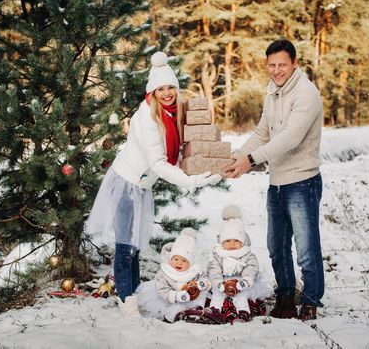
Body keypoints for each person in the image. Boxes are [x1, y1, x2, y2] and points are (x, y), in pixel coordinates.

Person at [87, 52, 222, 316]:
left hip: (142, 185)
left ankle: (134, 292)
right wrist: (190, 181)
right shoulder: (146, 118)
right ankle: (126, 300)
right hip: (126, 183)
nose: (167, 93)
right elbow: (159, 163)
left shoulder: (172, 114)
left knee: (136, 246)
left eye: (171, 87)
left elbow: (178, 150)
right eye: (161, 88)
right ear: (153, 91)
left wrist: (204, 164)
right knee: (125, 245)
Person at [224, 38, 324, 321]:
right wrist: (238, 156)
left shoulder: (306, 93)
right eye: (272, 65)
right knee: (276, 245)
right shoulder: (272, 92)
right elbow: (262, 132)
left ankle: (310, 302)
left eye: (282, 64)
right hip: (277, 182)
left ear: (295, 63)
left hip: (303, 182)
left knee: (306, 248)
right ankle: (285, 297)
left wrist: (252, 161)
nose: (277, 70)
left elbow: (291, 138)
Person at [207, 205, 268, 323]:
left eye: (236, 241)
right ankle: (215, 311)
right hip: (223, 283)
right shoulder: (218, 254)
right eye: (228, 241)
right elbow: (214, 270)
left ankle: (243, 313)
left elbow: (251, 269)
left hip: (241, 283)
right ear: (222, 241)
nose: (232, 244)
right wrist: (218, 283)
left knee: (241, 296)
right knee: (217, 293)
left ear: (243, 241)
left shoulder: (247, 255)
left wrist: (244, 282)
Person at [136, 228, 211, 322]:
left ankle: (196, 310)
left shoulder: (194, 271)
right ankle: (176, 314)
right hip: (167, 299)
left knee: (202, 293)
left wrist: (203, 283)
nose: (179, 263)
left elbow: (204, 278)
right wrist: (175, 296)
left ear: (190, 263)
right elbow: (162, 289)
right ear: (171, 259)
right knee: (167, 307)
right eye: (176, 259)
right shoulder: (165, 272)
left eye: (184, 261)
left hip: (188, 299)